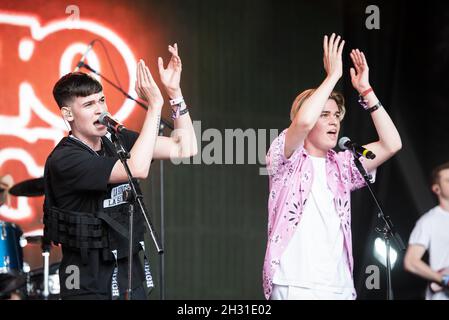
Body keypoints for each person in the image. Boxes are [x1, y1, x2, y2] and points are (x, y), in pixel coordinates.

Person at [43, 43, 197, 300]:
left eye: (101, 100)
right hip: (87, 284)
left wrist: (174, 93)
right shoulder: (65, 158)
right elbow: (136, 168)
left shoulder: (117, 140)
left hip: (130, 276)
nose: (100, 109)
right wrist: (154, 107)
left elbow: (185, 148)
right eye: (89, 104)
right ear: (67, 114)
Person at [263, 33, 402, 300]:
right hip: (295, 282)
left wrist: (366, 91)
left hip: (339, 285)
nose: (334, 121)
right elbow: (302, 123)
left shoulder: (343, 165)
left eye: (336, 115)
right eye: (324, 115)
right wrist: (332, 77)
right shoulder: (285, 157)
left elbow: (392, 144)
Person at [404, 162, 449, 300]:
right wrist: (444, 280)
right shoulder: (428, 221)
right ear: (437, 189)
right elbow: (411, 262)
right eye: (448, 180)